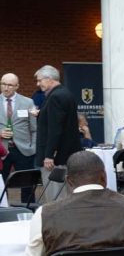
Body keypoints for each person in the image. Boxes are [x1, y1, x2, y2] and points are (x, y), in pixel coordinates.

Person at [34, 65, 81, 203]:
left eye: (39, 80)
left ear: (49, 79)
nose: (38, 84)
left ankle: (58, 224)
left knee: (55, 199)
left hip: (55, 160)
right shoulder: (65, 93)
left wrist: (49, 155)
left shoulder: (55, 97)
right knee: (65, 197)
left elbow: (55, 129)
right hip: (64, 157)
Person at [0, 73, 37, 204]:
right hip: (2, 151)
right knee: (1, 184)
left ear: (17, 86)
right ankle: (3, 211)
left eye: (10, 85)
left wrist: (33, 148)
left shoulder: (28, 102)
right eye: (3, 84)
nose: (6, 88)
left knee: (27, 184)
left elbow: (34, 128)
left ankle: (28, 211)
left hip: (23, 150)